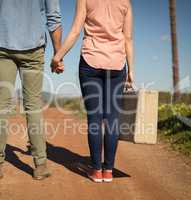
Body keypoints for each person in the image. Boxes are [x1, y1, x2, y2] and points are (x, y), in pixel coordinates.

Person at [0, 0, 63, 180]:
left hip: (2, 44)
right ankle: (40, 165)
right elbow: (53, 17)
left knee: (1, 103)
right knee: (33, 105)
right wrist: (58, 53)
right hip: (33, 46)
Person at [51, 0, 134, 183]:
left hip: (91, 61)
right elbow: (127, 38)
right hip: (117, 64)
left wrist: (58, 56)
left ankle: (96, 170)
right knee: (112, 118)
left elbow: (75, 31)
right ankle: (109, 171)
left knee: (94, 117)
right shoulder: (125, 3)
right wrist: (131, 71)